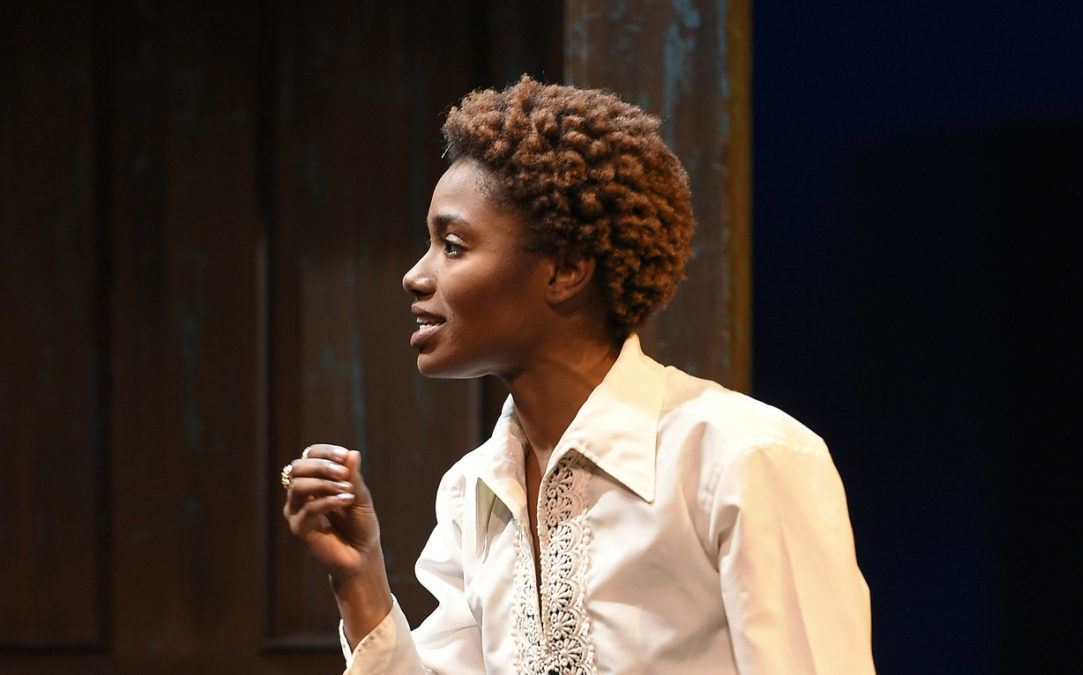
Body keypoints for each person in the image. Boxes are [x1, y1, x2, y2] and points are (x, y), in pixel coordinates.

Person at [281, 76, 874, 674]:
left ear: (565, 269)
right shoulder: (473, 490)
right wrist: (359, 579)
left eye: (453, 245)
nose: (416, 274)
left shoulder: (741, 458)